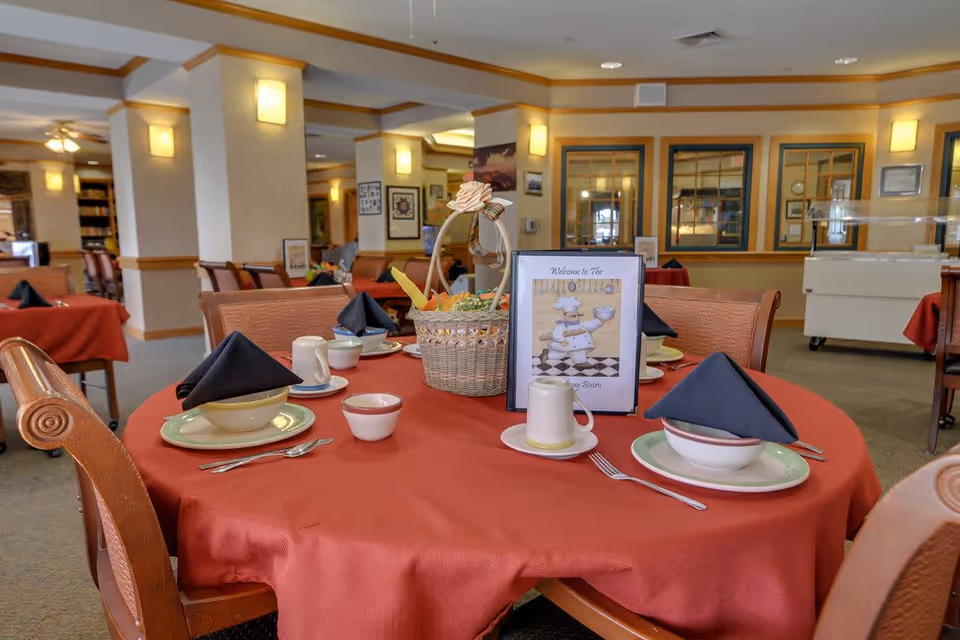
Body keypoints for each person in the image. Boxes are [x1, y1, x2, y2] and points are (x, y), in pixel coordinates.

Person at [539, 296, 614, 370]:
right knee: (561, 355)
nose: (577, 317)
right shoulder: (562, 325)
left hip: (576, 346)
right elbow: (556, 333)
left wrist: (600, 321)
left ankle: (580, 363)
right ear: (565, 316)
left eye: (578, 315)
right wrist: (561, 340)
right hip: (565, 344)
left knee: (575, 351)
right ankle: (548, 354)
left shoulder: (581, 324)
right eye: (573, 316)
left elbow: (591, 324)